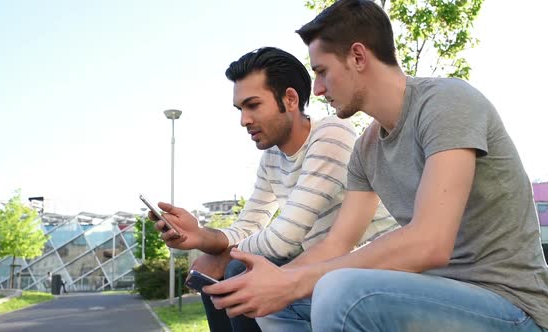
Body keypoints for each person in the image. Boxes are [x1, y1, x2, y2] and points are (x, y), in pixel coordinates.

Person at [203, 1, 548, 331]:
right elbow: (335, 246)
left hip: (509, 307)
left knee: (340, 292)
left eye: (322, 72)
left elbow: (430, 242)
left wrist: (293, 282)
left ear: (357, 56)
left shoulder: (447, 102)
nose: (318, 89)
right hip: (427, 294)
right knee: (275, 299)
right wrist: (275, 284)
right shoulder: (366, 149)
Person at [152, 47, 396, 332]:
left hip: (374, 270)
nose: (244, 120)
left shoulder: (332, 133)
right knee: (225, 277)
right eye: (240, 109)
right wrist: (201, 237)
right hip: (326, 270)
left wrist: (220, 254)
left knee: (237, 272)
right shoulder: (271, 159)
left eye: (253, 105)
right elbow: (250, 226)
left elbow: (285, 237)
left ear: (290, 99)